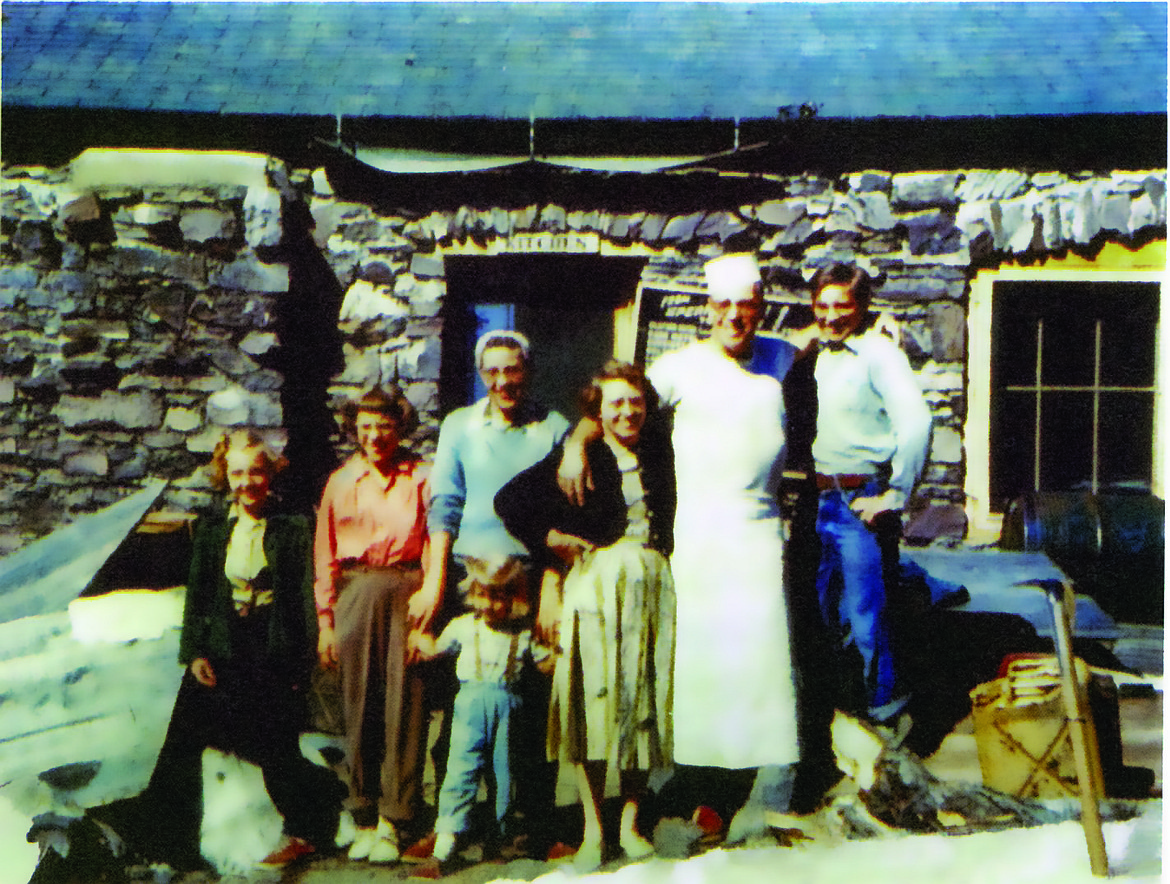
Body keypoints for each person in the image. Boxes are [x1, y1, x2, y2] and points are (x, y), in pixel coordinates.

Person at [560, 254, 802, 840]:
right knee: (696, 668)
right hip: (696, 534)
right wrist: (575, 441)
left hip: (758, 534)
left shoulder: (784, 359)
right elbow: (619, 405)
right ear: (708, 309)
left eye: (746, 305)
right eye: (724, 306)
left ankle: (759, 793)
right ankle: (698, 792)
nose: (735, 317)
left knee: (757, 666)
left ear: (760, 306)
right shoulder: (677, 368)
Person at [132, 429, 341, 869]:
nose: (248, 483)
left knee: (274, 744)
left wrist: (302, 662)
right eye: (238, 473)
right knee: (183, 741)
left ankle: (311, 820)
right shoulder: (211, 531)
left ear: (270, 476)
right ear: (225, 477)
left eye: (257, 473)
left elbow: (302, 595)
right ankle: (168, 841)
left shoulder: (292, 528)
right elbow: (199, 597)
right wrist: (194, 653)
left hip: (272, 646)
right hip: (226, 647)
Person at [495, 361, 676, 868]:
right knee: (590, 705)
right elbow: (510, 500)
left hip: (652, 584)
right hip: (597, 585)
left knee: (642, 703)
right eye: (614, 402)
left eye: (635, 401)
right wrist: (550, 541)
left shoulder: (660, 449)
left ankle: (631, 824)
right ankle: (595, 831)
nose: (626, 412)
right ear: (597, 409)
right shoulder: (581, 453)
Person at [408, 329, 569, 856]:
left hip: (526, 576)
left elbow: (565, 512)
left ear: (528, 371)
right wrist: (435, 581)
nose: (503, 381)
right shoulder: (460, 426)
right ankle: (453, 819)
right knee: (460, 703)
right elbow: (444, 504)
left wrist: (551, 588)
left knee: (528, 706)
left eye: (512, 370)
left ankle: (528, 824)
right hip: (467, 577)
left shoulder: (553, 429)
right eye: (492, 371)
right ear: (481, 375)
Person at [808, 263, 933, 728]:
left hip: (858, 502)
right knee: (814, 613)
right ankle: (827, 718)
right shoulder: (809, 352)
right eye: (822, 305)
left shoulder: (880, 353)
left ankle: (884, 717)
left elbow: (917, 423)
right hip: (807, 502)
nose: (831, 316)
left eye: (843, 305)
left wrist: (896, 494)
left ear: (861, 306)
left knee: (866, 616)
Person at [314, 385, 430, 863]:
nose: (374, 435)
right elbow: (325, 556)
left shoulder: (421, 477)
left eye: (383, 425)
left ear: (400, 427)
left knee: (406, 703)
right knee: (358, 703)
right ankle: (362, 810)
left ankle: (395, 817)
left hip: (406, 591)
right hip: (356, 594)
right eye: (365, 426)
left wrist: (429, 606)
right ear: (354, 430)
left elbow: (432, 541)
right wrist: (325, 621)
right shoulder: (341, 482)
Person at [408, 556, 553, 867]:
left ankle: (497, 838)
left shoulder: (523, 633)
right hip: (469, 707)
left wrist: (558, 652)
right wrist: (421, 640)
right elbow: (435, 649)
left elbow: (545, 664)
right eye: (483, 595)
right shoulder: (462, 627)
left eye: (499, 597)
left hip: (507, 707)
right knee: (461, 768)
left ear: (515, 598)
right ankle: (446, 843)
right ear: (472, 593)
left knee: (504, 772)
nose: (489, 604)